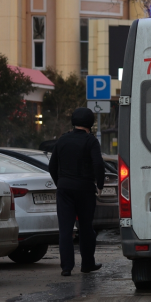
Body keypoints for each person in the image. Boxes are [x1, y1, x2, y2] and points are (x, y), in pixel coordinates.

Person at [49, 108, 105, 277]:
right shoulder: (91, 141)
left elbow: (52, 166)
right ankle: (87, 264)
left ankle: (66, 267)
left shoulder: (62, 140)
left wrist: (61, 183)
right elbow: (98, 164)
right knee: (86, 228)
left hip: (65, 189)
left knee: (65, 229)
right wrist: (100, 185)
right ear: (90, 124)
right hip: (85, 189)